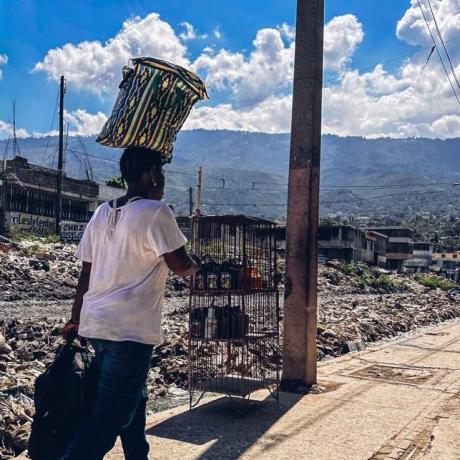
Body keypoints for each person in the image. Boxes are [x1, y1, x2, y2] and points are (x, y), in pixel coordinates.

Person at [60, 146, 199, 459]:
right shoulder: (155, 211)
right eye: (160, 174)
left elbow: (86, 272)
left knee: (131, 396)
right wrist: (196, 267)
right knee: (110, 416)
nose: (162, 181)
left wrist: (76, 319)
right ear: (150, 175)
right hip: (129, 331)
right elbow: (180, 264)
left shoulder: (102, 212)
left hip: (97, 325)